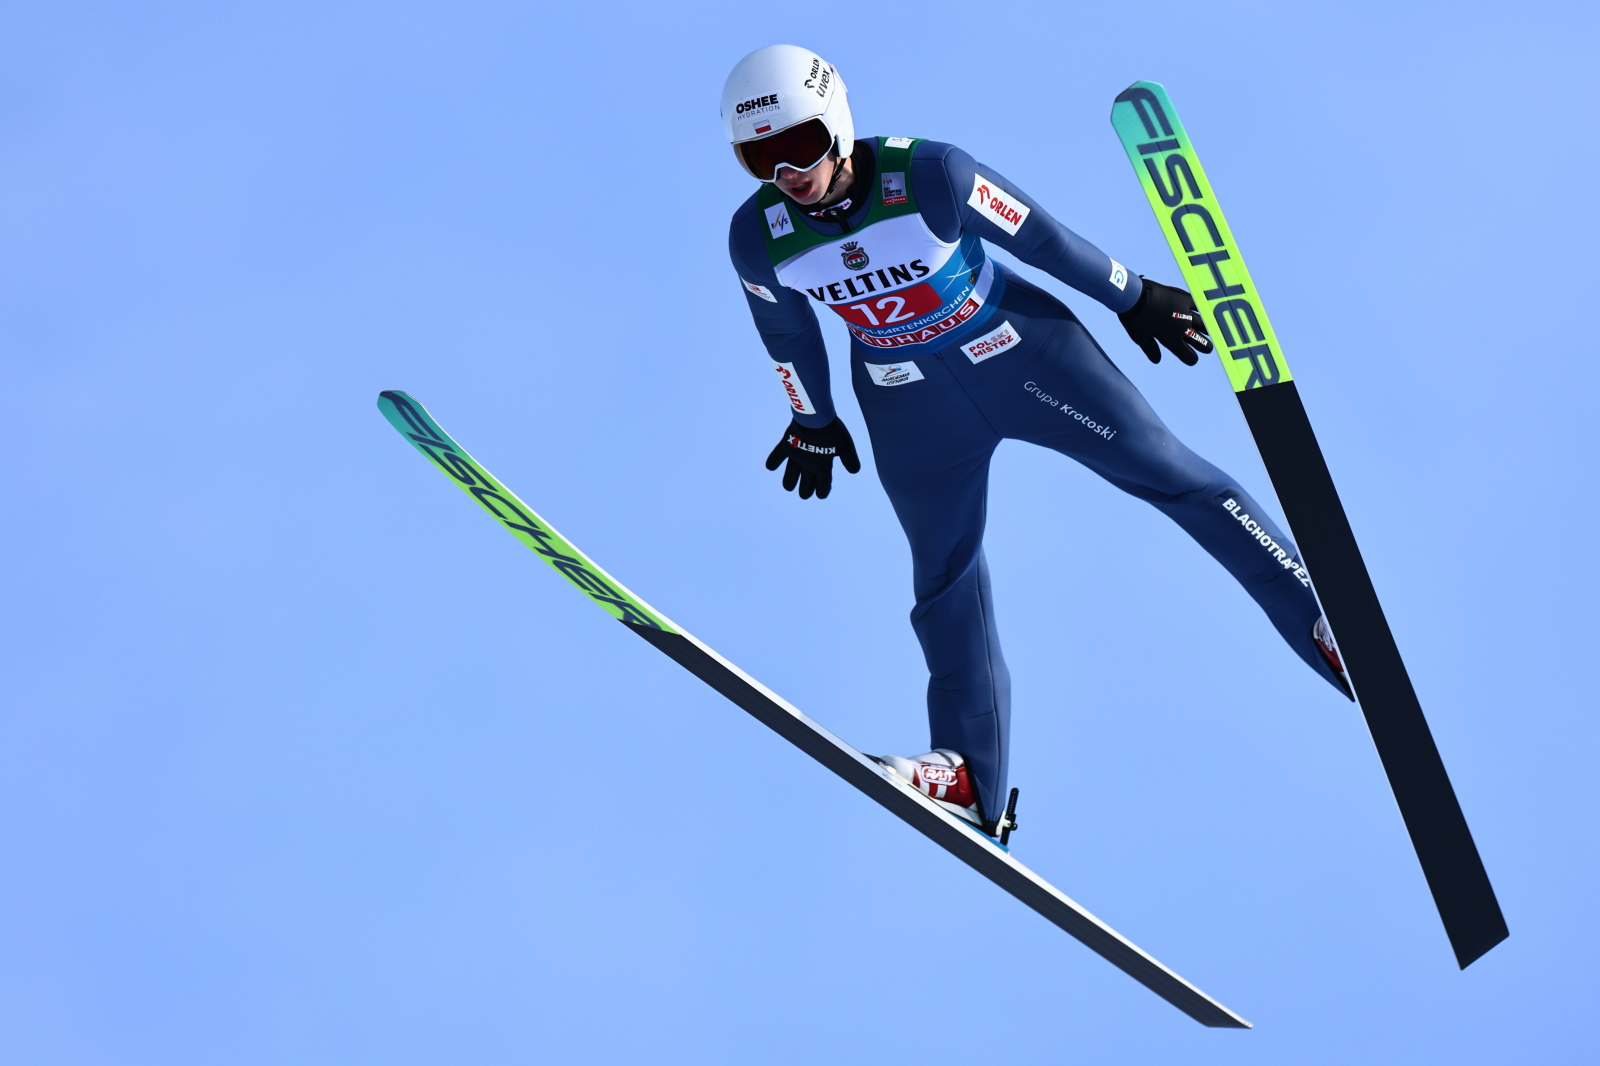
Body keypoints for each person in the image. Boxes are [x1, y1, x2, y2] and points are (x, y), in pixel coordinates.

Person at [723, 45, 1351, 837]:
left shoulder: (931, 174)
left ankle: (1324, 623)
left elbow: (1041, 239)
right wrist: (810, 417)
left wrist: (1134, 296)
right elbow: (784, 331)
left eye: (800, 146)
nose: (789, 173)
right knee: (944, 577)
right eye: (760, 159)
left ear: (838, 125)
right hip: (908, 406)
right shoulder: (760, 237)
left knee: (1168, 472)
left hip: (1023, 355)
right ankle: (968, 779)